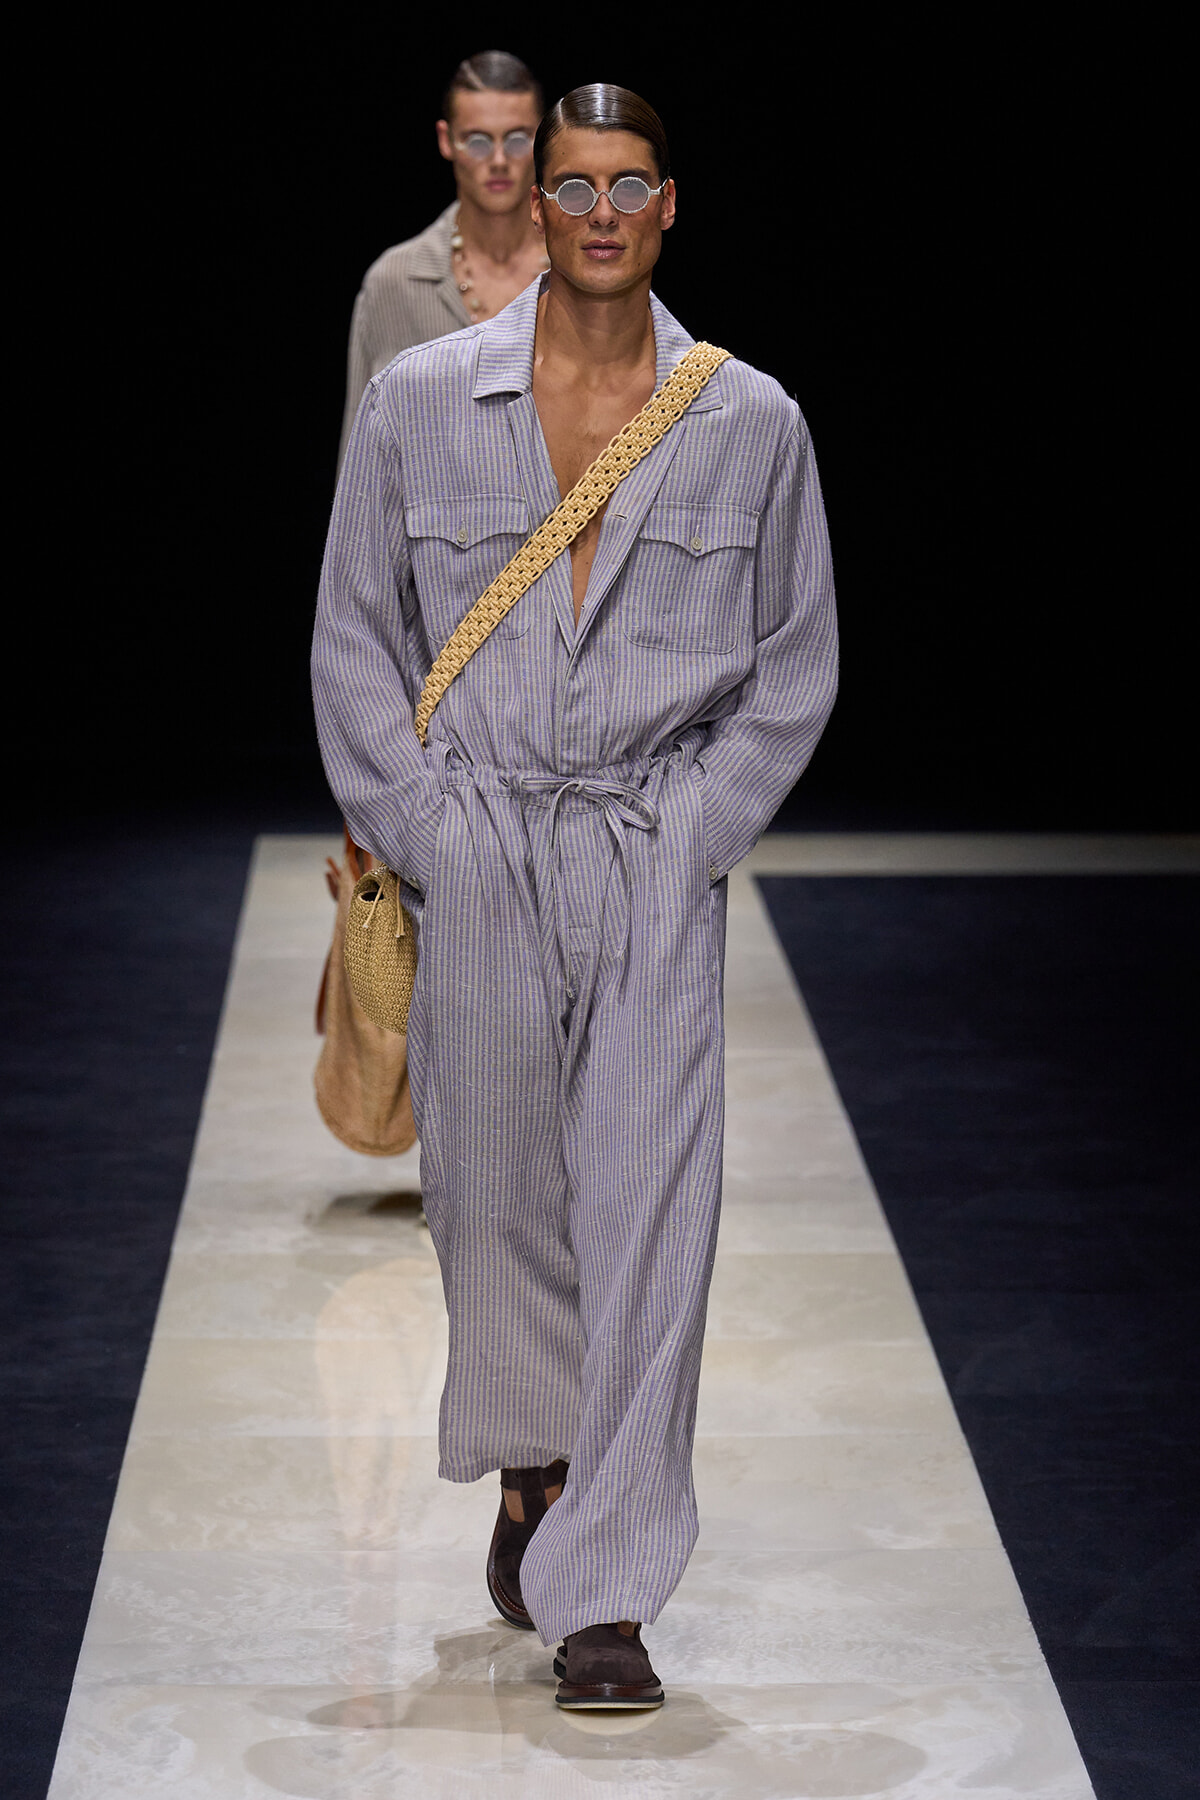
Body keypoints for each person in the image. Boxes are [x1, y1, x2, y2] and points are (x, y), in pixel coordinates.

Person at [313, 82, 838, 1710]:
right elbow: (352, 633)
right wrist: (425, 827)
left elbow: (792, 666)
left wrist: (692, 837)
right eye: (571, 183)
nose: (599, 210)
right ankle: (536, 1465)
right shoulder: (419, 399)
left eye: (629, 184)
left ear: (669, 204)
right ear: (532, 204)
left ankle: (604, 1589)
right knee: (491, 1199)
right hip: (483, 843)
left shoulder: (750, 421)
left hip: (645, 852)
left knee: (651, 1209)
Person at [337, 50, 548, 468]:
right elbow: (360, 466)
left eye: (518, 139)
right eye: (478, 141)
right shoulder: (395, 282)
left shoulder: (579, 275)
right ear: (445, 139)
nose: (500, 160)